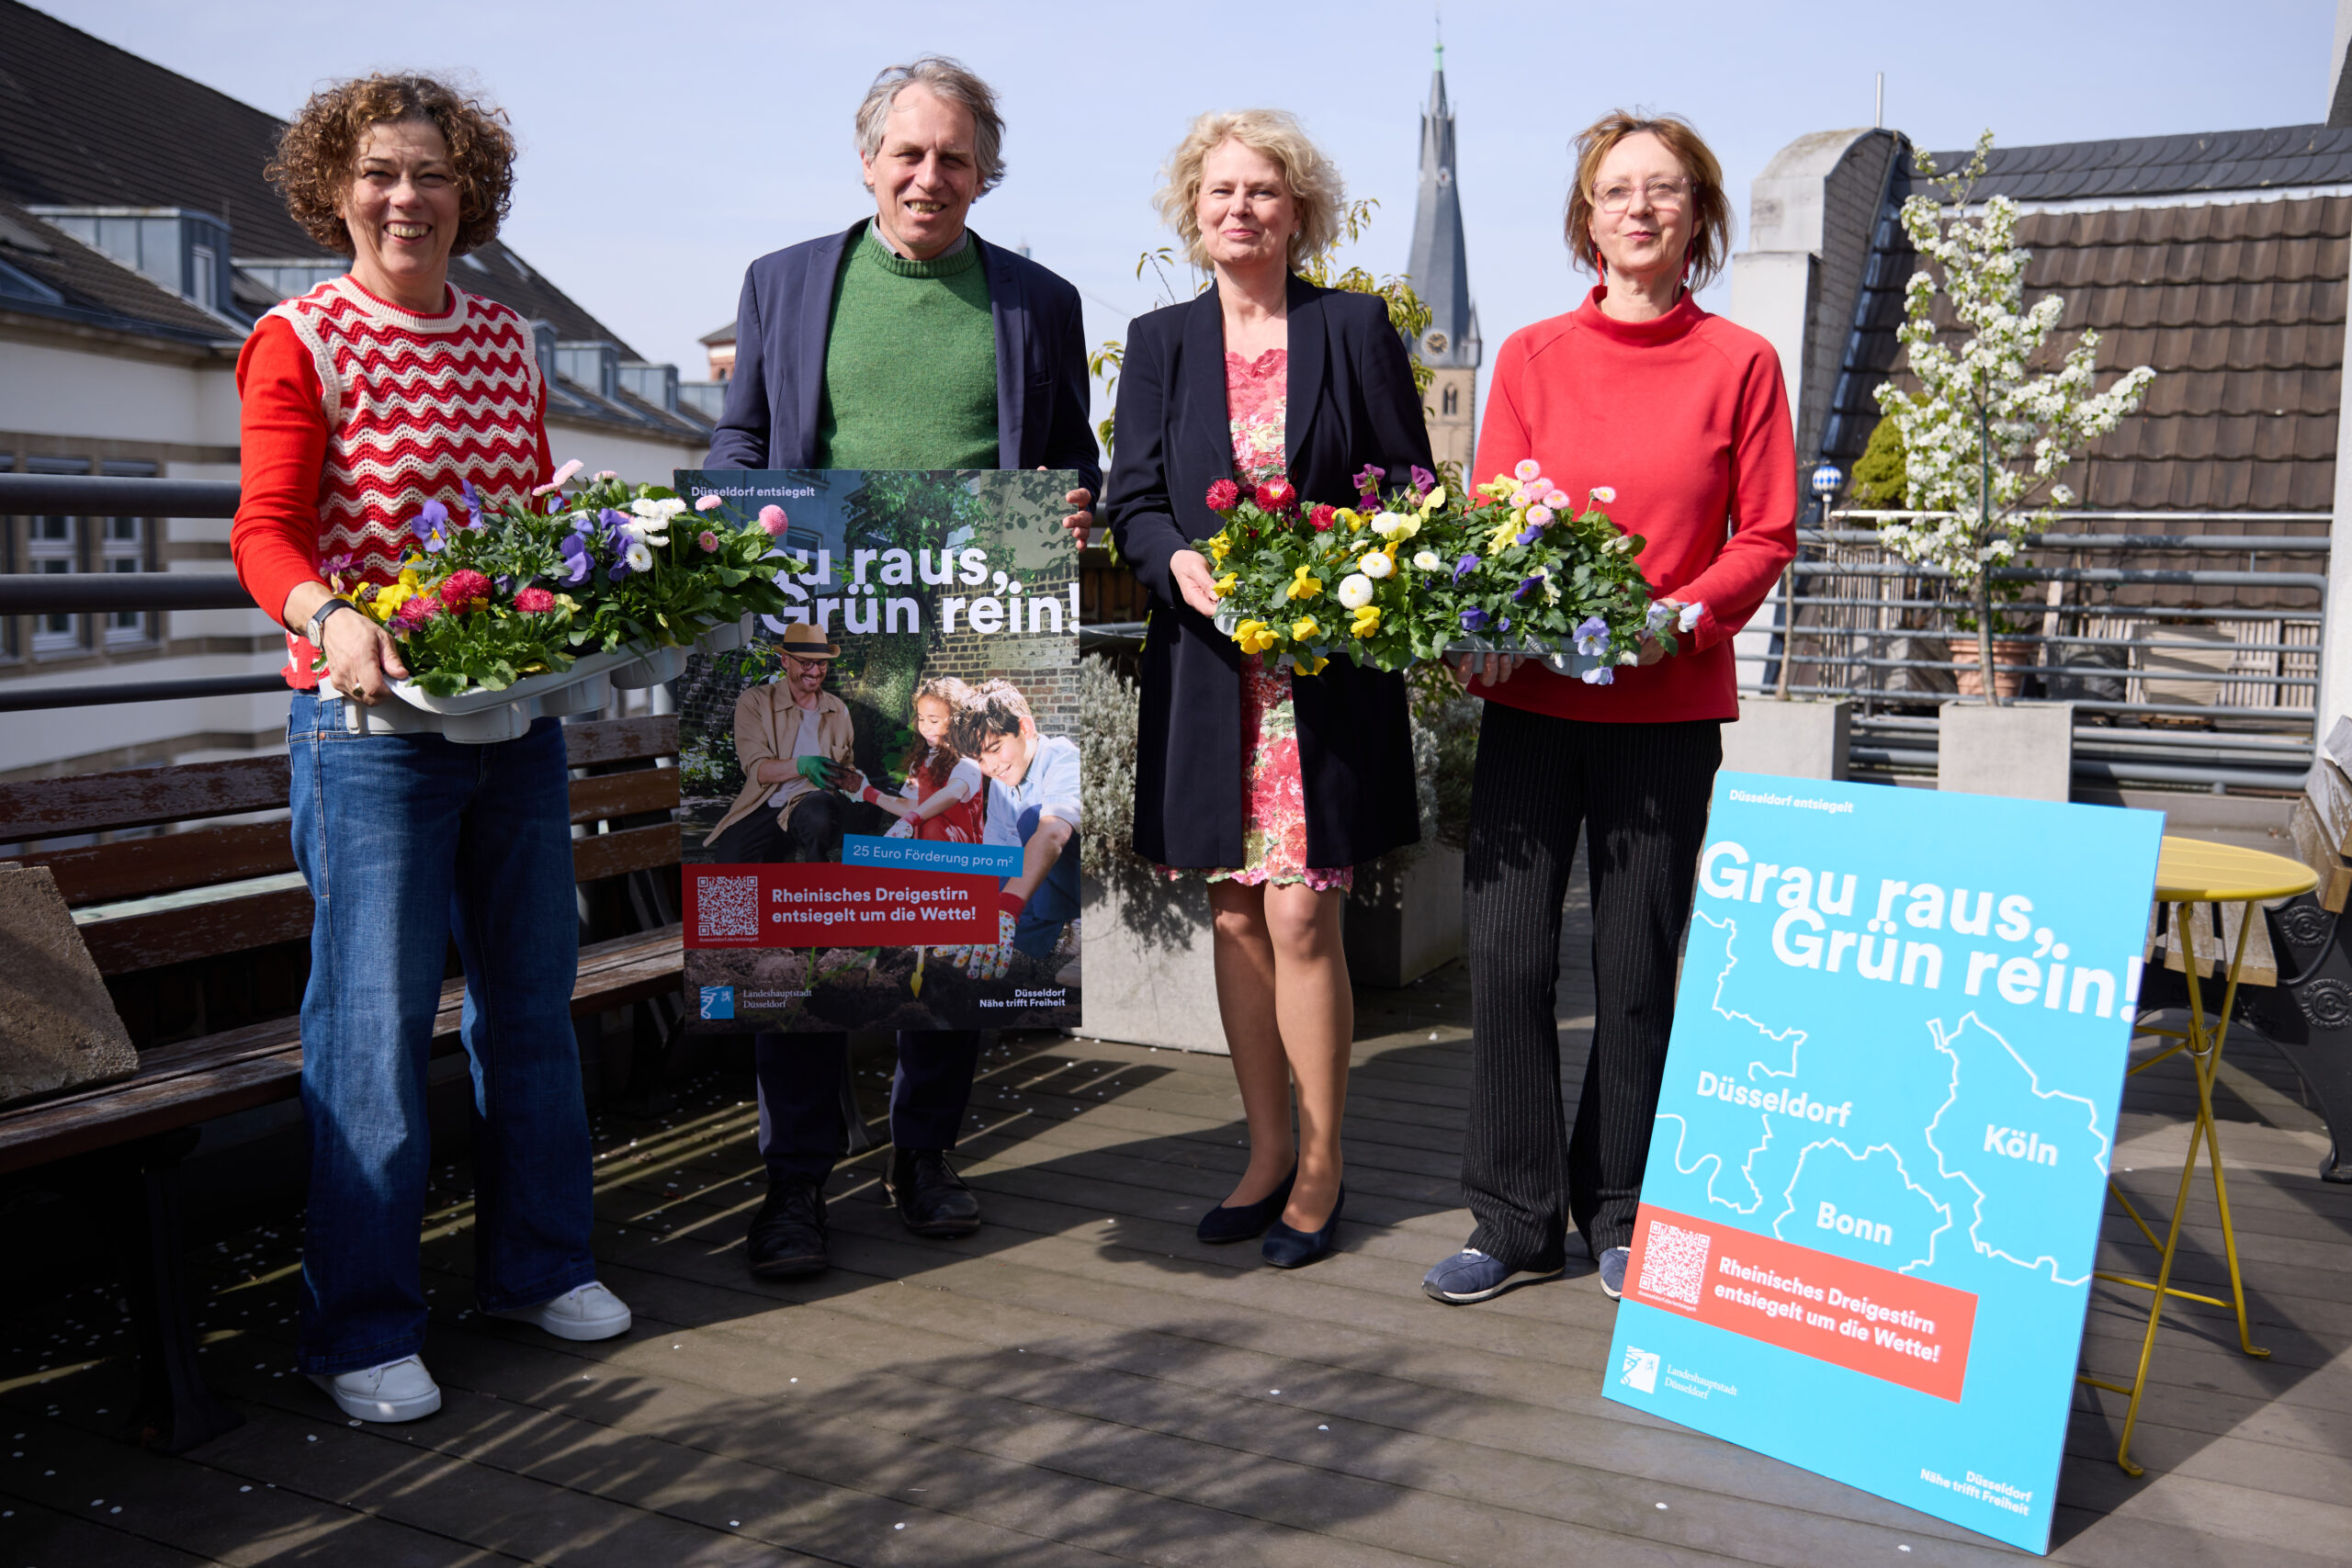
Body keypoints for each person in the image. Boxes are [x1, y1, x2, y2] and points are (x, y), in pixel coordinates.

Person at [231, 74, 631, 1426]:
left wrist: (570, 520)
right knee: (373, 1029)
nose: (409, 198)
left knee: (530, 1005)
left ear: (473, 195)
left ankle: (537, 1264)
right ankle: (359, 1329)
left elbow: (515, 517)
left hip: (511, 715)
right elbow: (264, 531)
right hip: (369, 735)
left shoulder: (506, 339)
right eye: (382, 173)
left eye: (436, 176)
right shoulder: (301, 338)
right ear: (333, 186)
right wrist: (328, 609)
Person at [704, 56, 1103, 1279]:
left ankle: (926, 1153)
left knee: (951, 901)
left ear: (987, 172)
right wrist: (743, 507)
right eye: (910, 154)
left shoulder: (1039, 300)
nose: (931, 177)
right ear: (870, 159)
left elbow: (1067, 457)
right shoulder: (784, 285)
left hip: (976, 640)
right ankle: (793, 1182)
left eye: (956, 158)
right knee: (811, 904)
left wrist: (1072, 512)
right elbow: (737, 444)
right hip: (828, 636)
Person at [1419, 111, 1797, 1308]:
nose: (1639, 208)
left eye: (1665, 190)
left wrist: (1680, 616)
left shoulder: (1742, 363)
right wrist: (1478, 636)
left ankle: (1620, 1205)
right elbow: (1495, 526)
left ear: (1699, 215)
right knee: (1509, 955)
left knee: (1636, 967)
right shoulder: (1529, 357)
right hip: (1532, 703)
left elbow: (1769, 532)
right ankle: (1513, 1212)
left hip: (1666, 707)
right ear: (1586, 215)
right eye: (1616, 190)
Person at [1101, 110, 1427, 1270]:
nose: (1241, 209)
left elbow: (1410, 485)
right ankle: (1264, 1150)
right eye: (1221, 191)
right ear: (1194, 209)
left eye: (1264, 191)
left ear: (1299, 210)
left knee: (1299, 911)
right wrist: (1175, 560)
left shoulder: (1351, 328)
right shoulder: (1158, 340)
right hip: (1207, 671)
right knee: (1234, 912)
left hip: (1318, 675)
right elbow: (1129, 498)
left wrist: (1343, 564)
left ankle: (1327, 1160)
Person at [704, 622, 862, 863]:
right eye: (806, 662)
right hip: (763, 803)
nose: (815, 671)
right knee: (729, 862)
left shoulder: (837, 710)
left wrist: (852, 779)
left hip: (810, 802)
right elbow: (757, 770)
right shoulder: (755, 701)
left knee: (819, 815)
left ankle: (817, 879)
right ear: (786, 661)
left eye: (821, 663)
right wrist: (802, 765)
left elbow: (847, 764)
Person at [952, 679, 1080, 973]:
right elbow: (995, 857)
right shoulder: (1001, 783)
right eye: (980, 760)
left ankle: (1077, 924)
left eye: (996, 748)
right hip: (1038, 884)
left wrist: (1007, 908)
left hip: (1081, 879)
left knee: (1033, 819)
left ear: (1025, 728)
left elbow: (1053, 834)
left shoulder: (1063, 759)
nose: (991, 766)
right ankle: (1041, 936)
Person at [869, 676, 987, 843]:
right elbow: (910, 807)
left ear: (956, 721)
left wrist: (911, 819)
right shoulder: (922, 761)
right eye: (921, 719)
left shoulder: (967, 761)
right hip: (927, 852)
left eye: (933, 720)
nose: (924, 727)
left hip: (962, 857)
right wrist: (866, 792)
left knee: (932, 823)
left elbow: (953, 792)